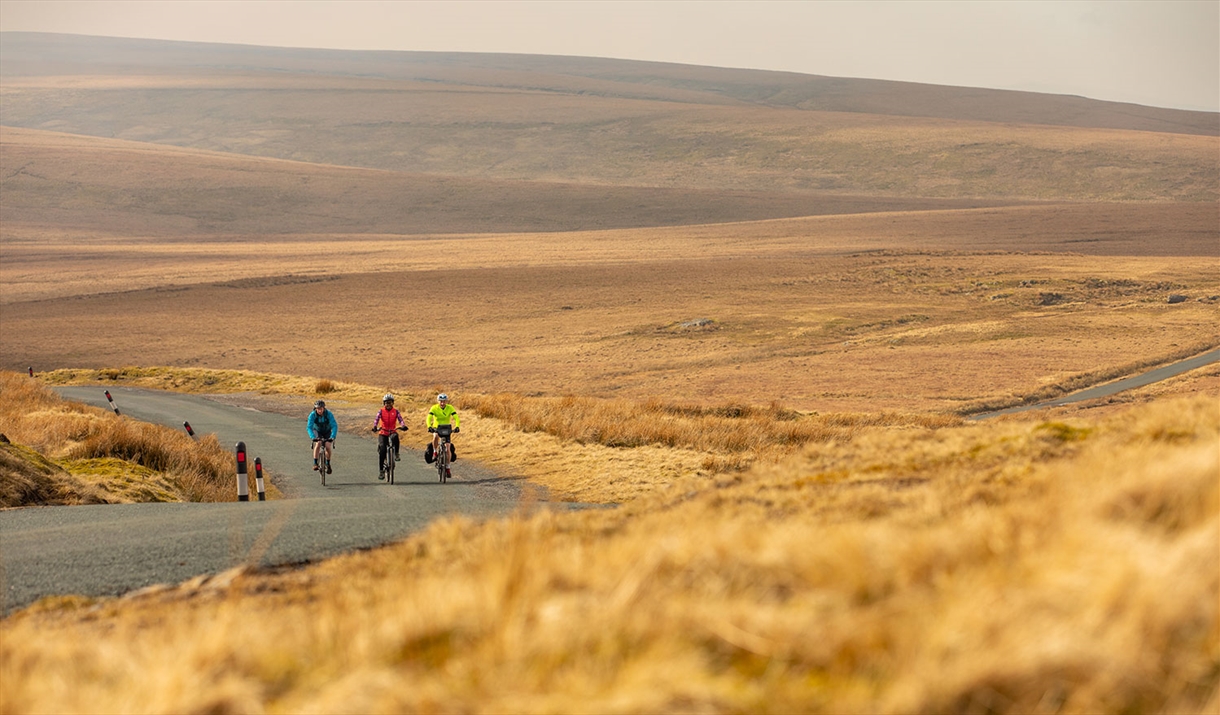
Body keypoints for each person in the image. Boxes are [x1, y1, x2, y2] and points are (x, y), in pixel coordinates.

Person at [371, 393, 407, 480]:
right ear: (384, 403)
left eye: (390, 402)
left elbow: (400, 419)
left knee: (395, 437)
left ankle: (396, 454)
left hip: (392, 431)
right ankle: (381, 471)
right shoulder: (381, 411)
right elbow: (376, 419)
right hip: (383, 432)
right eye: (386, 403)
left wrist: (403, 426)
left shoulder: (396, 411)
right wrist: (375, 426)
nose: (388, 404)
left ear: (393, 403)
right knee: (382, 450)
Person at [426, 392, 460, 464]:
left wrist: (457, 426)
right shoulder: (434, 408)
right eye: (441, 401)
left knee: (448, 449)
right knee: (435, 436)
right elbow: (429, 418)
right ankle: (435, 451)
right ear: (438, 401)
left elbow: (456, 417)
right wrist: (429, 426)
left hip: (446, 428)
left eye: (444, 401)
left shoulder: (450, 408)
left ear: (446, 401)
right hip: (436, 427)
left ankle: (447, 467)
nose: (442, 403)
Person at [307, 399, 338, 474]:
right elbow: (309, 427)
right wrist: (313, 437)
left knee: (327, 446)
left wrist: (332, 436)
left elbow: (334, 425)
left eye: (321, 409)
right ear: (315, 409)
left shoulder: (328, 414)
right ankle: (315, 463)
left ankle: (328, 463)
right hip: (317, 431)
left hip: (327, 431)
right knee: (318, 443)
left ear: (324, 408)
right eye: (318, 409)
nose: (319, 411)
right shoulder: (312, 415)